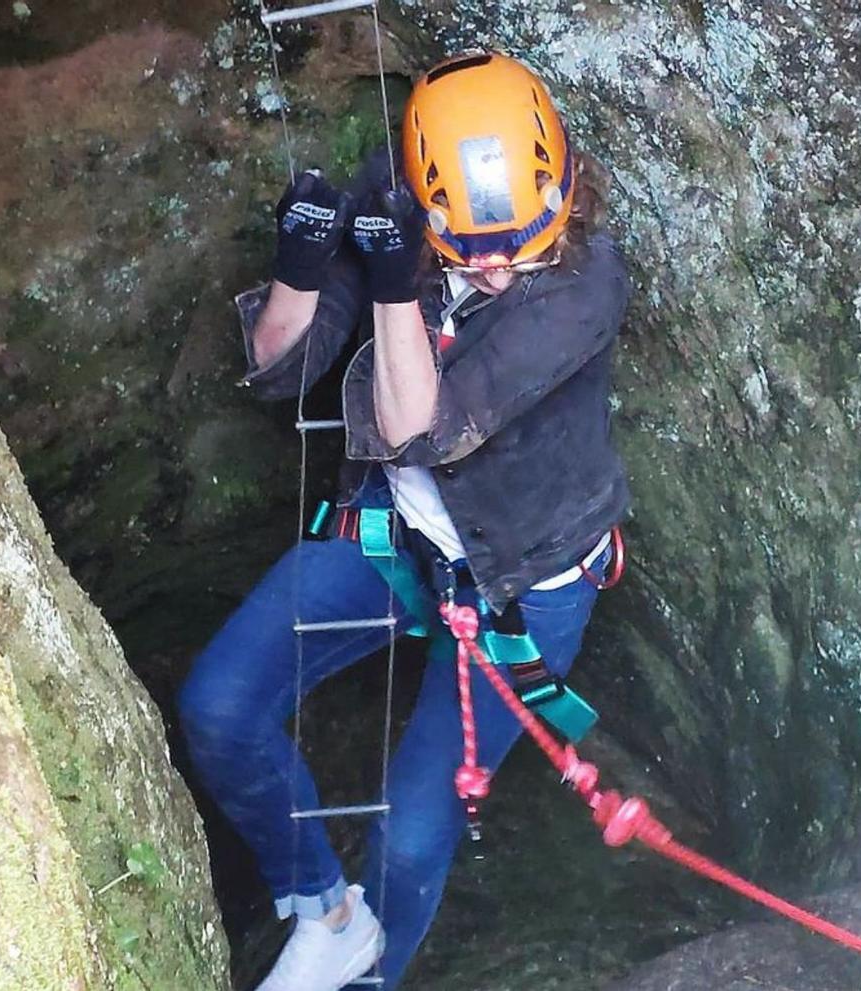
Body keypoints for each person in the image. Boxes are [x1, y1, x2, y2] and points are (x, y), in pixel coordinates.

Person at [178, 51, 631, 991]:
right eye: (476, 248)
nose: (502, 268)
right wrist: (305, 265)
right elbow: (280, 370)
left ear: (564, 188)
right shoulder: (400, 214)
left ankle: (366, 983)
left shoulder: (585, 283)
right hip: (399, 541)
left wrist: (393, 286)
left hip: (524, 584)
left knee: (415, 835)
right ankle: (325, 914)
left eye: (523, 241)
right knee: (220, 705)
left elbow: (424, 427)